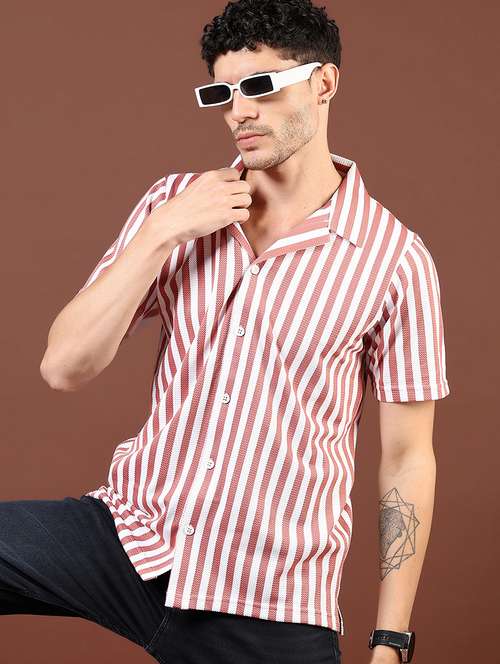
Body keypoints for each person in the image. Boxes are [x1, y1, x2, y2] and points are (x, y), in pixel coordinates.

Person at [1, 1, 450, 662]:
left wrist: (391, 638)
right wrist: (162, 233)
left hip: (269, 594)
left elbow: (408, 458)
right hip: (135, 539)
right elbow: (64, 366)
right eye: (222, 93)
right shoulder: (174, 205)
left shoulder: (396, 260)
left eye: (260, 86)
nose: (238, 111)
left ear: (323, 83)